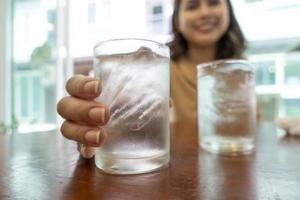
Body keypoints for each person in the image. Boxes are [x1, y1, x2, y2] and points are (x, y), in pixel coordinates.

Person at [57, 0, 247, 158]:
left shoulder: (241, 72)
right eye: (192, 6)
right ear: (177, 21)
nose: (204, 12)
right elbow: (129, 110)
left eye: (213, 2)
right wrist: (95, 120)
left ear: (228, 11)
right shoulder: (158, 66)